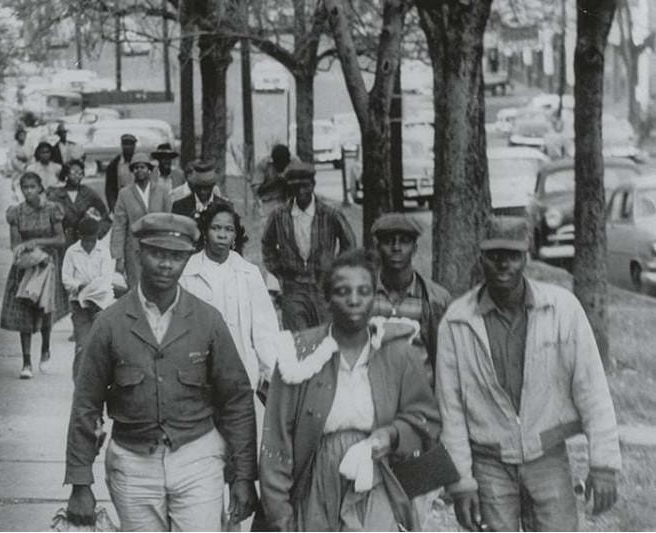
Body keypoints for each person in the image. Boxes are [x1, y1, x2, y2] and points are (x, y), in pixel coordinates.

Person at [64, 212, 258, 531]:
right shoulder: (109, 324)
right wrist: (80, 482)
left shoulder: (207, 320)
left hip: (198, 458)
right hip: (132, 462)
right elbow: (86, 403)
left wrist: (244, 475)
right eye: (157, 254)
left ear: (187, 260)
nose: (166, 265)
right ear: (139, 254)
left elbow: (237, 399)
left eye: (176, 256)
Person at [436, 216, 622, 532]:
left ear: (527, 257)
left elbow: (592, 389)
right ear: (480, 258)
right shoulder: (456, 322)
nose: (503, 265)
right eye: (494, 256)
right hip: (489, 462)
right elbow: (450, 410)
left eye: (512, 255)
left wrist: (603, 465)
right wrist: (462, 483)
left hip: (547, 457)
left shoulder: (562, 308)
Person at [259, 248, 442, 531]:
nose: (354, 300)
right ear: (327, 299)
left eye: (364, 291)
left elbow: (425, 420)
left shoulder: (397, 352)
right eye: (343, 291)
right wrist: (279, 514)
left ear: (374, 297)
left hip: (379, 474)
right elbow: (277, 440)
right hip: (317, 478)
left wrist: (391, 435)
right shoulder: (301, 354)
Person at [180, 202, 279, 396]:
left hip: (242, 373)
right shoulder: (187, 273)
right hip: (199, 377)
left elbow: (264, 330)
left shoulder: (248, 273)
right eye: (215, 228)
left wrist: (271, 374)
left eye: (229, 229)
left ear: (235, 236)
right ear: (205, 232)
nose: (222, 235)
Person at [261, 160, 357, 331]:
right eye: (295, 187)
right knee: (298, 342)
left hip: (323, 288)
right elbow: (267, 244)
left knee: (326, 340)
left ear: (313, 184)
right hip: (293, 288)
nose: (300, 191)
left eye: (305, 185)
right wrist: (279, 271)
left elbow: (349, 244)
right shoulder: (279, 215)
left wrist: (336, 270)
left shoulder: (330, 214)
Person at [0, 171, 69, 379]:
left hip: (48, 265)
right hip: (27, 267)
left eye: (32, 187)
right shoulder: (16, 212)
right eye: (25, 187)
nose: (28, 191)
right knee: (24, 311)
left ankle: (46, 348)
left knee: (45, 309)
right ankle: (26, 361)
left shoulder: (51, 210)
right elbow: (15, 244)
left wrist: (37, 244)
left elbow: (60, 239)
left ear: (40, 188)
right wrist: (23, 250)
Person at [370, 213, 451, 387]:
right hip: (373, 396)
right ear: (377, 247)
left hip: (420, 398)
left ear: (414, 248)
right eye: (388, 241)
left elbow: (446, 360)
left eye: (404, 241)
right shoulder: (364, 295)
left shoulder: (436, 299)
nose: (396, 247)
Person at [61, 215, 114, 381]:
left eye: (92, 240)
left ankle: (100, 383)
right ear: (80, 236)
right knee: (83, 345)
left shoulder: (104, 251)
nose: (89, 245)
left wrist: (93, 289)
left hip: (101, 305)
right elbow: (66, 278)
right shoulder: (72, 252)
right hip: (79, 305)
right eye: (86, 241)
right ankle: (79, 382)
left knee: (102, 346)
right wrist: (79, 287)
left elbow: (106, 277)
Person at [109, 152, 171, 292]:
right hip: (134, 249)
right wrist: (118, 257)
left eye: (142, 167)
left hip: (157, 247)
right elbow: (119, 225)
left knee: (157, 286)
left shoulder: (161, 191)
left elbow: (169, 220)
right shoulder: (125, 194)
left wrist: (167, 246)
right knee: (136, 288)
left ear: (149, 169)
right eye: (135, 168)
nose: (139, 170)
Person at [46, 159, 111, 248]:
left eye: (80, 173)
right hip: (62, 243)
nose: (77, 176)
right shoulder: (55, 195)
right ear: (66, 174)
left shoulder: (88, 193)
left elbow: (106, 217)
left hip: (83, 242)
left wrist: (96, 234)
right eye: (74, 172)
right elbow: (45, 219)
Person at [252, 144, 293, 217]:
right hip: (269, 203)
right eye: (279, 165)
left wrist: (288, 181)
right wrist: (276, 180)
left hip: (289, 202)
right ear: (274, 162)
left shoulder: (294, 162)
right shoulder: (263, 165)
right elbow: (257, 191)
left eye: (285, 164)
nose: (282, 168)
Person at [105, 133, 137, 210]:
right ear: (122, 145)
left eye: (131, 144)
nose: (128, 147)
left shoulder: (139, 162)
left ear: (134, 146)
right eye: (125, 144)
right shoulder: (114, 164)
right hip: (121, 203)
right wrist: (113, 207)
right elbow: (110, 189)